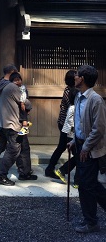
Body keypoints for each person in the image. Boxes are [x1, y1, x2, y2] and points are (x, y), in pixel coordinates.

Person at [68, 65, 106, 234]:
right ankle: (90, 220)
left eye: (76, 75)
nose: (74, 77)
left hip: (89, 149)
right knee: (90, 185)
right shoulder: (78, 96)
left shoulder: (96, 100)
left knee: (86, 186)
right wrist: (74, 141)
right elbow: (80, 123)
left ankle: (91, 222)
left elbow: (99, 128)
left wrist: (85, 146)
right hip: (81, 145)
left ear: (82, 79)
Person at [0, 71, 37, 186]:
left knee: (24, 147)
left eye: (20, 79)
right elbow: (26, 103)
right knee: (13, 150)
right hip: (13, 124)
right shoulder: (13, 88)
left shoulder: (3, 86)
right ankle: (0, 175)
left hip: (8, 122)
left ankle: (25, 172)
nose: (19, 81)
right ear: (11, 75)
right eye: (16, 79)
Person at [44, 69, 77, 178]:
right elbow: (73, 106)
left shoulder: (70, 89)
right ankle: (62, 170)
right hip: (67, 124)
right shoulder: (70, 91)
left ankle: (50, 169)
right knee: (76, 152)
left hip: (64, 123)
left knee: (62, 147)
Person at [53, 87, 79, 188]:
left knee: (78, 158)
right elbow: (70, 122)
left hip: (72, 135)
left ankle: (74, 178)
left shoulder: (74, 107)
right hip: (72, 135)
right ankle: (64, 172)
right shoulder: (74, 108)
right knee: (78, 158)